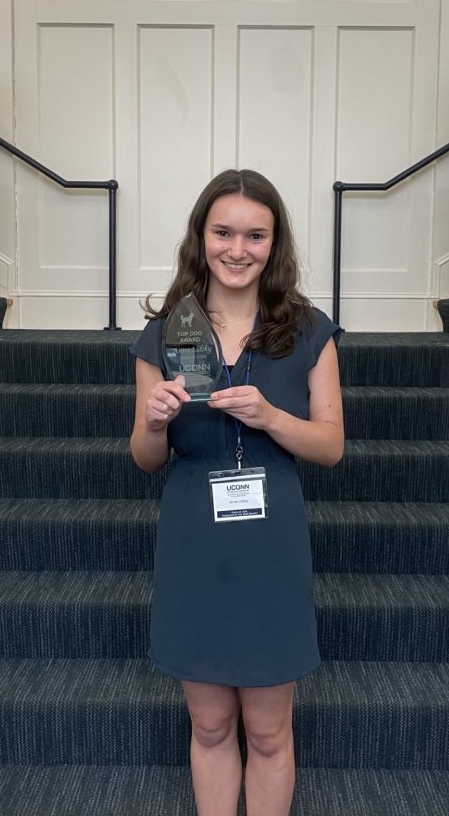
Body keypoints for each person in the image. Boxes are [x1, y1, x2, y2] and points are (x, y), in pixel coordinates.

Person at [129, 169, 344, 816]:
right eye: (223, 232)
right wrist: (154, 421)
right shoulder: (167, 332)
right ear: (201, 237)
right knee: (212, 727)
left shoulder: (308, 331)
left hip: (271, 544)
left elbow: (331, 447)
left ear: (275, 245)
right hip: (194, 540)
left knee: (270, 730)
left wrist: (271, 417)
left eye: (256, 235)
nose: (237, 248)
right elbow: (144, 460)